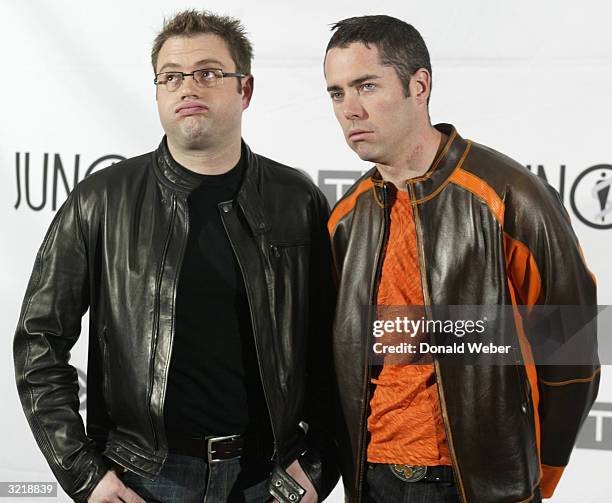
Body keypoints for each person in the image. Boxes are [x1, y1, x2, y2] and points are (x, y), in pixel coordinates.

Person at [14, 10, 337, 503]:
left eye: (208, 73)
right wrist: (85, 474)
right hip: (142, 478)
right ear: (158, 92)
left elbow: (335, 348)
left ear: (244, 90)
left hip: (267, 480)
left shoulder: (296, 199)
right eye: (172, 76)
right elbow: (39, 340)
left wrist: (317, 466)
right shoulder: (102, 200)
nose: (188, 87)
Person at [323, 14, 599, 503]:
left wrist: (537, 475)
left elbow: (573, 351)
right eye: (337, 93)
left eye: (366, 85)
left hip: (478, 485)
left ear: (419, 85)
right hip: (372, 480)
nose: (351, 109)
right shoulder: (346, 217)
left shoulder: (509, 195)